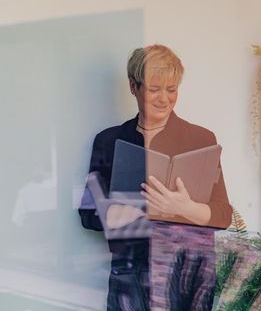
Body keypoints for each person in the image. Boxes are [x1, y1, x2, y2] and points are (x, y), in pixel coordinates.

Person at [78, 44, 232, 310]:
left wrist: (185, 209)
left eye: (172, 90)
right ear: (133, 86)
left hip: (187, 276)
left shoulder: (200, 139)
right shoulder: (109, 140)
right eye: (154, 89)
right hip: (130, 276)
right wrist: (110, 214)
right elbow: (87, 211)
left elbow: (222, 215)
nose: (164, 99)